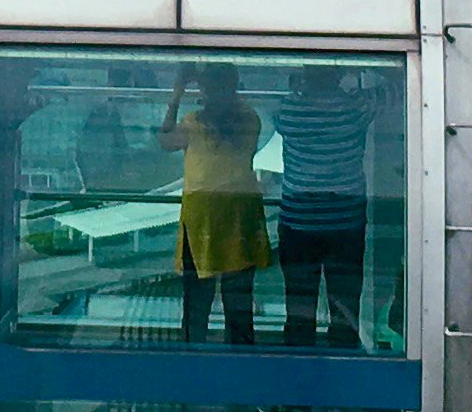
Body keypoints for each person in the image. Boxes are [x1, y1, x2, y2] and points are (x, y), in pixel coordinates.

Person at [269, 64, 386, 348]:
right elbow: (394, 90)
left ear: (305, 75)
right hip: (345, 221)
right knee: (344, 304)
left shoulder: (287, 110)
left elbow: (272, 107)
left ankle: (298, 370)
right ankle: (343, 364)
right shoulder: (356, 107)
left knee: (298, 303)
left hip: (297, 220)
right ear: (338, 75)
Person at [158, 65, 272, 345]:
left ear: (204, 91)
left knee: (196, 299)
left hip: (202, 216)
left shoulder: (193, 123)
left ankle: (194, 353)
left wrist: (177, 93)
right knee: (239, 298)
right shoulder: (250, 119)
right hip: (240, 212)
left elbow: (165, 141)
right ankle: (241, 357)